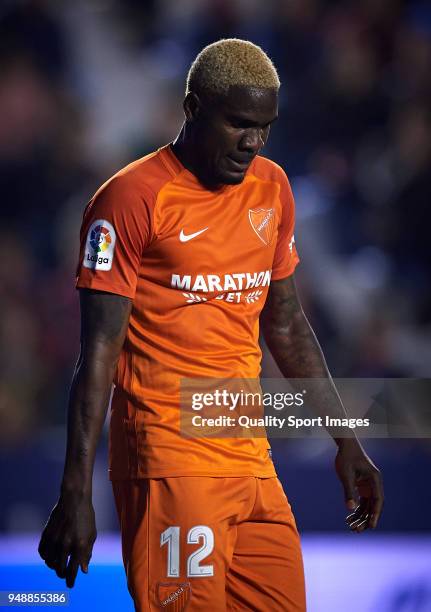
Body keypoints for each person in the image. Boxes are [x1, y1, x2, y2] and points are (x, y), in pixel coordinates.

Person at [38, 38, 384, 611]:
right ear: (193, 108)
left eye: (265, 127)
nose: (253, 141)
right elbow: (97, 351)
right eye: (239, 123)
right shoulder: (129, 200)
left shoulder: (272, 188)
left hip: (249, 459)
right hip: (169, 459)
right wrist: (75, 488)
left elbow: (289, 326)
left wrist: (346, 441)